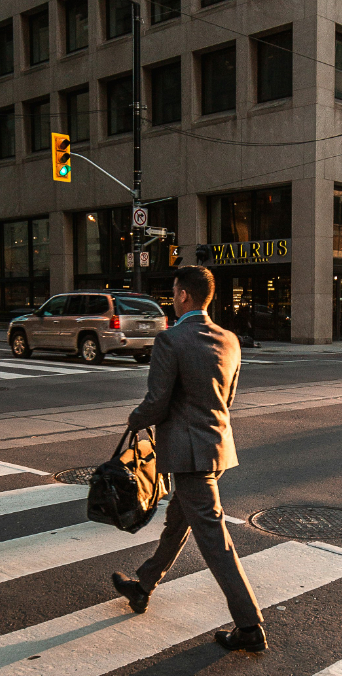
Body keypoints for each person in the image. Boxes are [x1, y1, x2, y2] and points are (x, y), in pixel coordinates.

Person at [111, 265, 266, 652]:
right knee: (178, 522)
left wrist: (135, 420)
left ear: (184, 295)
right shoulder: (230, 339)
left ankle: (249, 626)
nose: (173, 297)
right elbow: (226, 400)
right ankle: (143, 586)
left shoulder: (172, 340)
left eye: (174, 291)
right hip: (216, 448)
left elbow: (157, 402)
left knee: (215, 539)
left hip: (187, 453)